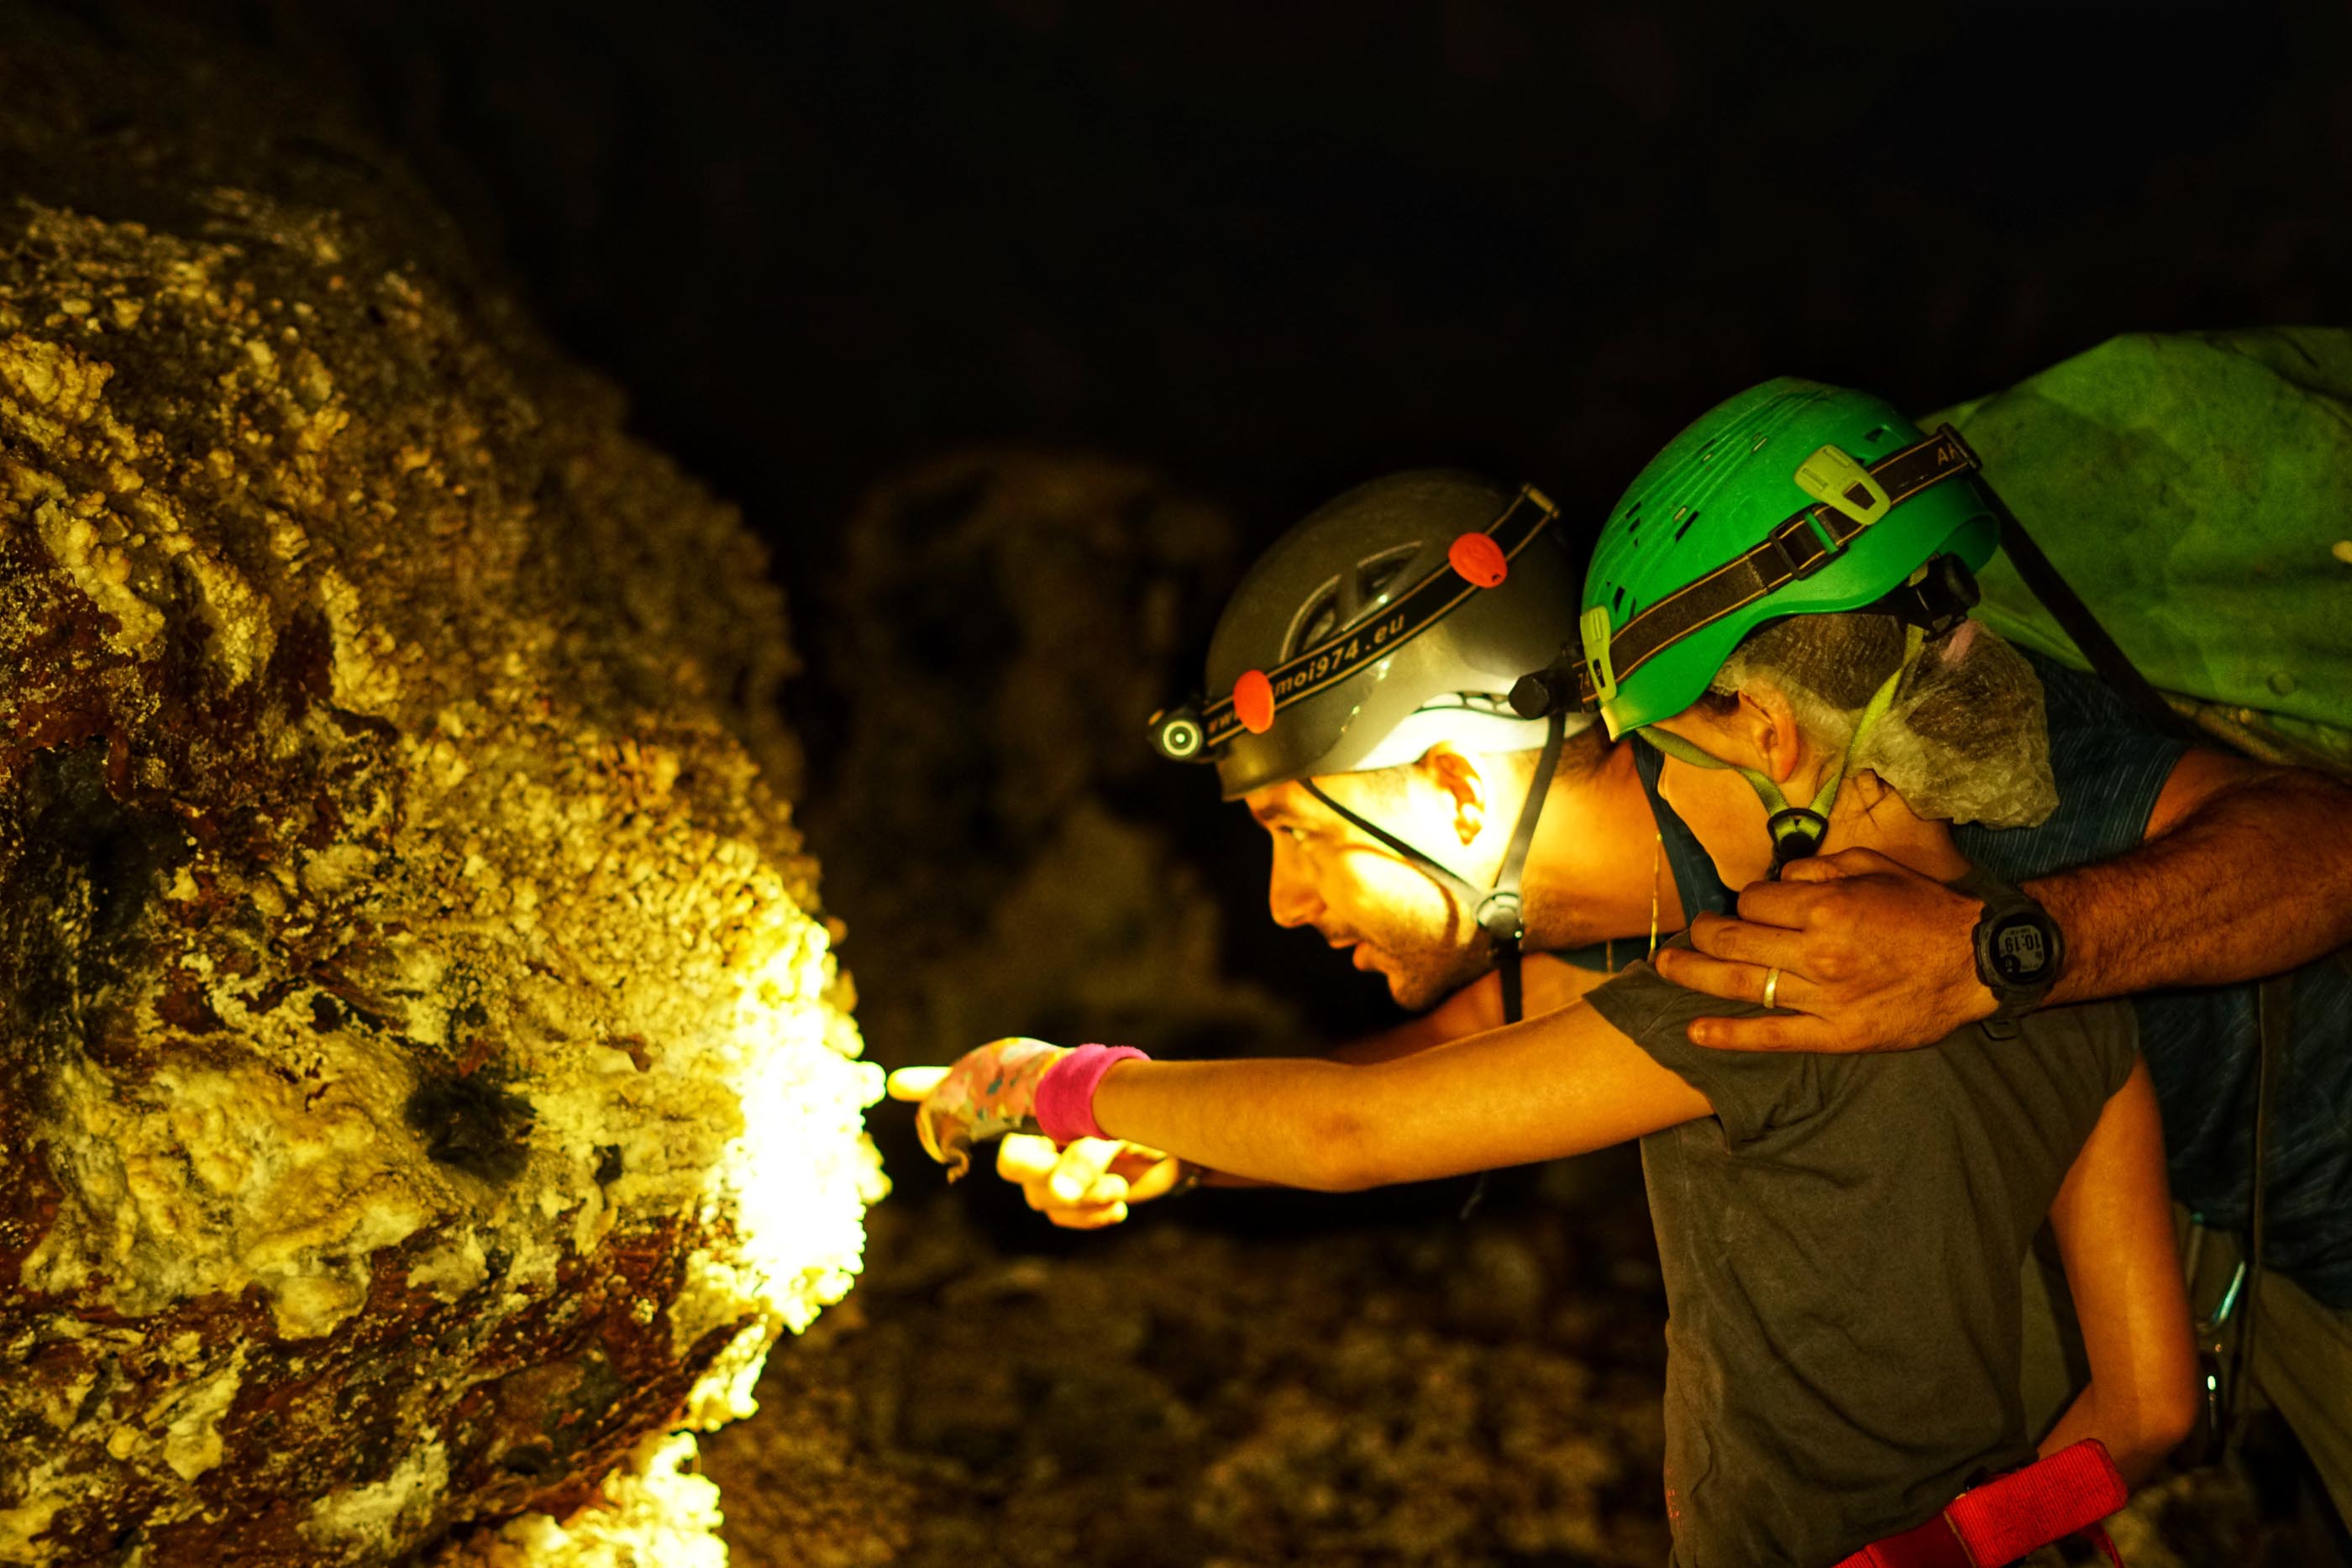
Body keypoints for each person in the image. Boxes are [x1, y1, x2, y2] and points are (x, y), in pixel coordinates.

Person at [921, 381, 2352, 1529]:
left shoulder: (2006, 771)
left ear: (1458, 788)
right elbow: (1459, 1060)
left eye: (1299, 832)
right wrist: (1182, 1146)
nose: (1287, 903)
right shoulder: (1729, 863)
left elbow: (2328, 849)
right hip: (2140, 1197)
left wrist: (1994, 955)